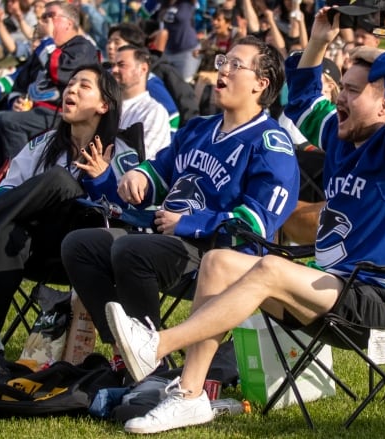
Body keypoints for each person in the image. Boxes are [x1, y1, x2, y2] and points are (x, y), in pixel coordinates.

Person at [103, 6, 385, 433]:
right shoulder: (342, 141)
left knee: (269, 268)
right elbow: (301, 99)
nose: (341, 97)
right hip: (332, 285)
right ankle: (189, 396)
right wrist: (318, 41)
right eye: (343, 89)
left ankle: (156, 346)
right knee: (219, 262)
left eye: (355, 92)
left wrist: (372, 47)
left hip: (381, 295)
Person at [60, 35, 300, 378]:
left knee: (132, 249)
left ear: (260, 85)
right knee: (80, 244)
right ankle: (127, 352)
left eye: (236, 65)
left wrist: (190, 223)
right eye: (223, 61)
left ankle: (150, 362)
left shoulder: (271, 144)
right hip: (169, 242)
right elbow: (160, 169)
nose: (223, 70)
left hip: (224, 257)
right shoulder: (198, 128)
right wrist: (139, 175)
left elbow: (257, 224)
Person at [0, 64, 125, 372]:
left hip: (89, 252)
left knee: (59, 180)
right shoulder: (43, 144)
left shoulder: (122, 150)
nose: (71, 90)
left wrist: (102, 180)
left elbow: (127, 214)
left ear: (104, 104)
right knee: (7, 231)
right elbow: (6, 189)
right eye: (70, 84)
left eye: (83, 86)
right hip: (37, 250)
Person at [0, 1, 99, 168]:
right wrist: (16, 101)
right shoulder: (42, 49)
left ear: (69, 23)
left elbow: (60, 73)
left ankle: (22, 175)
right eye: (42, 17)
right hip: (32, 112)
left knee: (9, 123)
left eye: (50, 16)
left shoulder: (83, 46)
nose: (43, 21)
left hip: (57, 113)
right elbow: (20, 84)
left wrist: (47, 40)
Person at [112, 45, 171, 159]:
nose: (114, 70)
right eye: (113, 65)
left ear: (143, 69)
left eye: (121, 65)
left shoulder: (154, 112)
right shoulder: (104, 106)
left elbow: (143, 159)